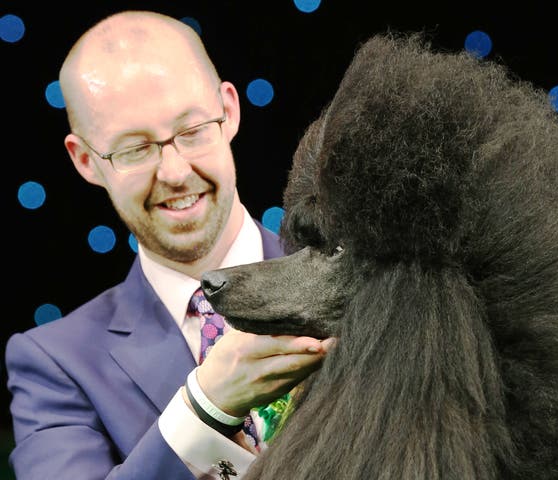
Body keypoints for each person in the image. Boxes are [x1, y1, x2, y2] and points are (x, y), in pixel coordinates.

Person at [4, 10, 333, 480]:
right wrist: (204, 408)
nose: (175, 172)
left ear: (230, 111)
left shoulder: (356, 278)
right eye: (134, 148)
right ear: (86, 161)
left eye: (193, 130)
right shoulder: (53, 363)